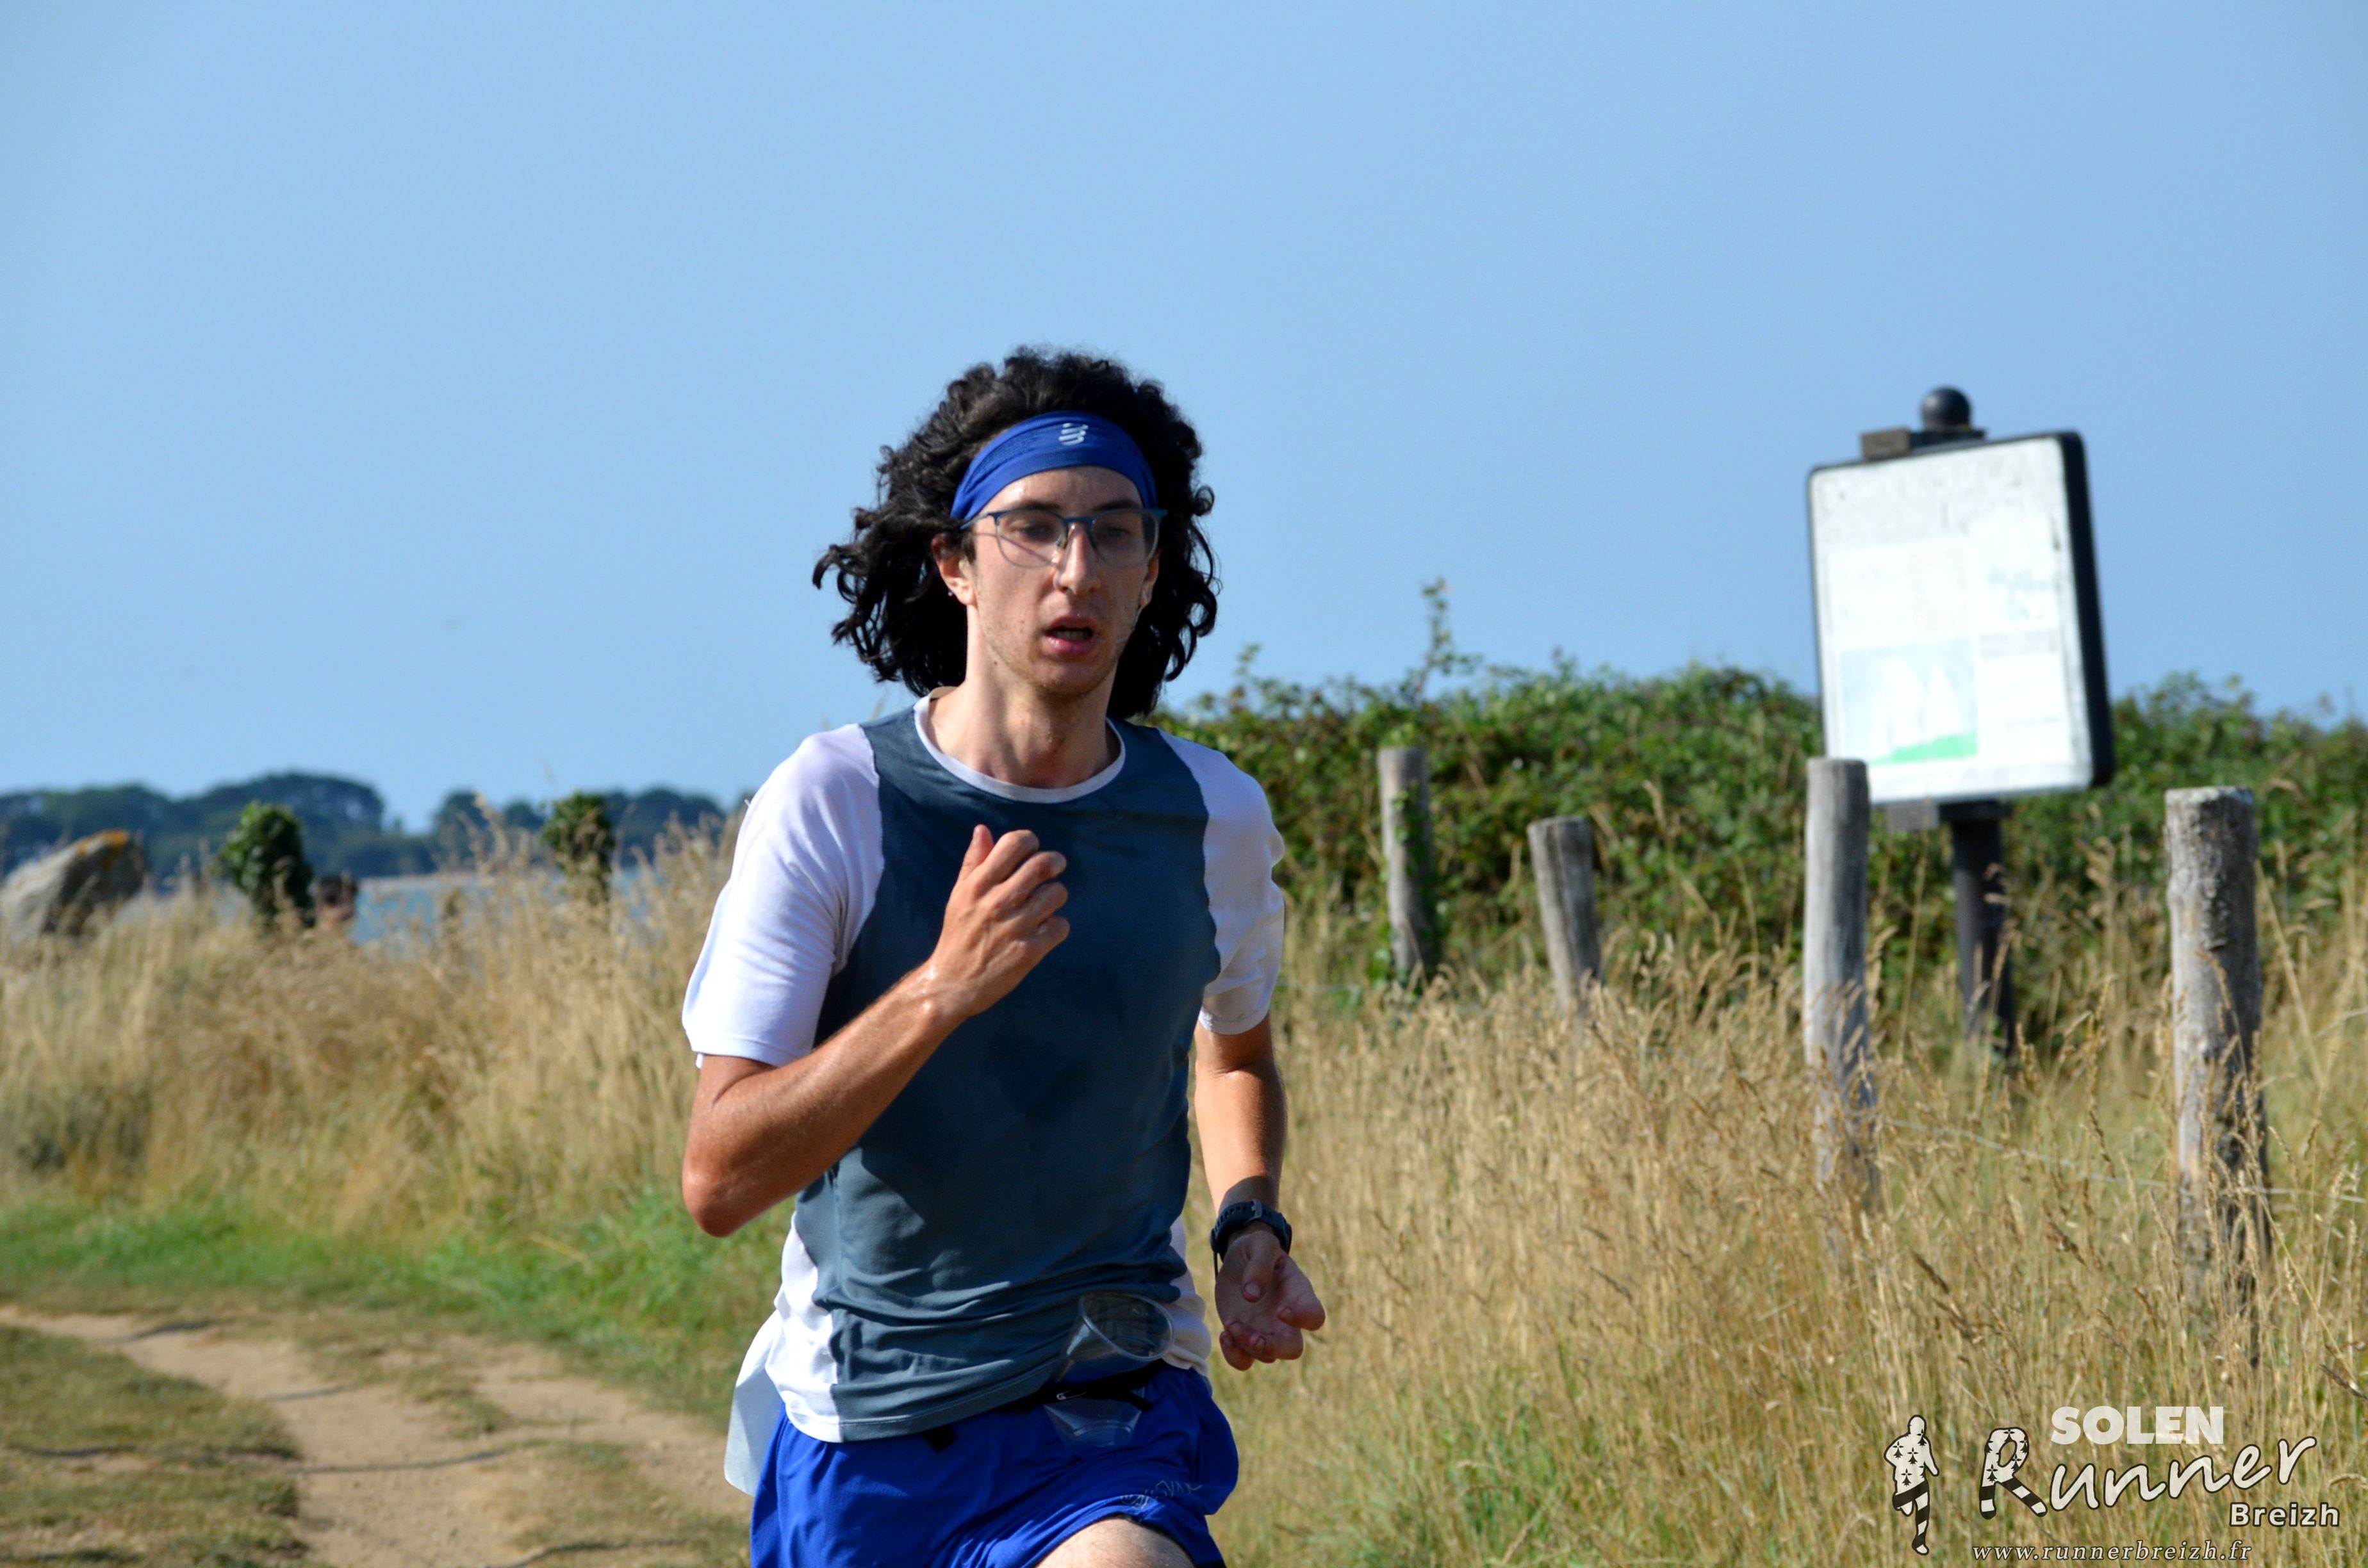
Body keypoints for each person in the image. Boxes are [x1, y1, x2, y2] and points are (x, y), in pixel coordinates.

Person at [678, 348, 1326, 1567]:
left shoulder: (1211, 817)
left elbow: (1234, 1052)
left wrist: (1250, 1220)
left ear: (1152, 569)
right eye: (1032, 528)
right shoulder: (836, 801)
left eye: (1115, 531)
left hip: (1108, 1404)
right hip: (869, 1426)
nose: (1075, 569)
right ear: (956, 562)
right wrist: (938, 992)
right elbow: (719, 1177)